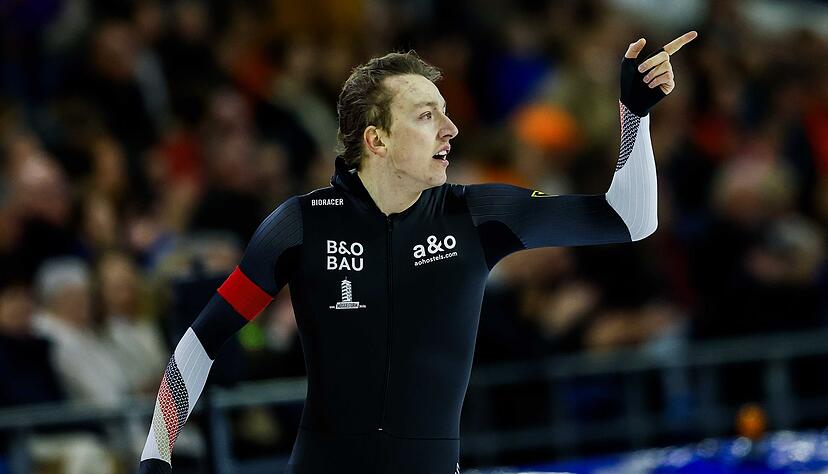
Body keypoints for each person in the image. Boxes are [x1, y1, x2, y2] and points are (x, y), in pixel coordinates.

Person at [138, 32, 697, 473]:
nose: (451, 129)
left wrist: (635, 115)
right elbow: (201, 340)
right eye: (427, 115)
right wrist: (155, 455)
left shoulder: (478, 216)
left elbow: (632, 220)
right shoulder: (299, 226)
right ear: (376, 140)